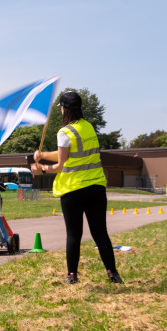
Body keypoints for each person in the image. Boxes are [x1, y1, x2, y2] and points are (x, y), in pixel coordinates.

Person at [31, 91, 123, 284]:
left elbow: (60, 165)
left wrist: (41, 169)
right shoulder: (89, 127)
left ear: (64, 109)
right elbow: (69, 153)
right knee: (100, 233)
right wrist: (44, 155)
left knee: (74, 234)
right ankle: (113, 273)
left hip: (73, 190)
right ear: (79, 108)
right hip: (96, 188)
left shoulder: (64, 132)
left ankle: (72, 276)